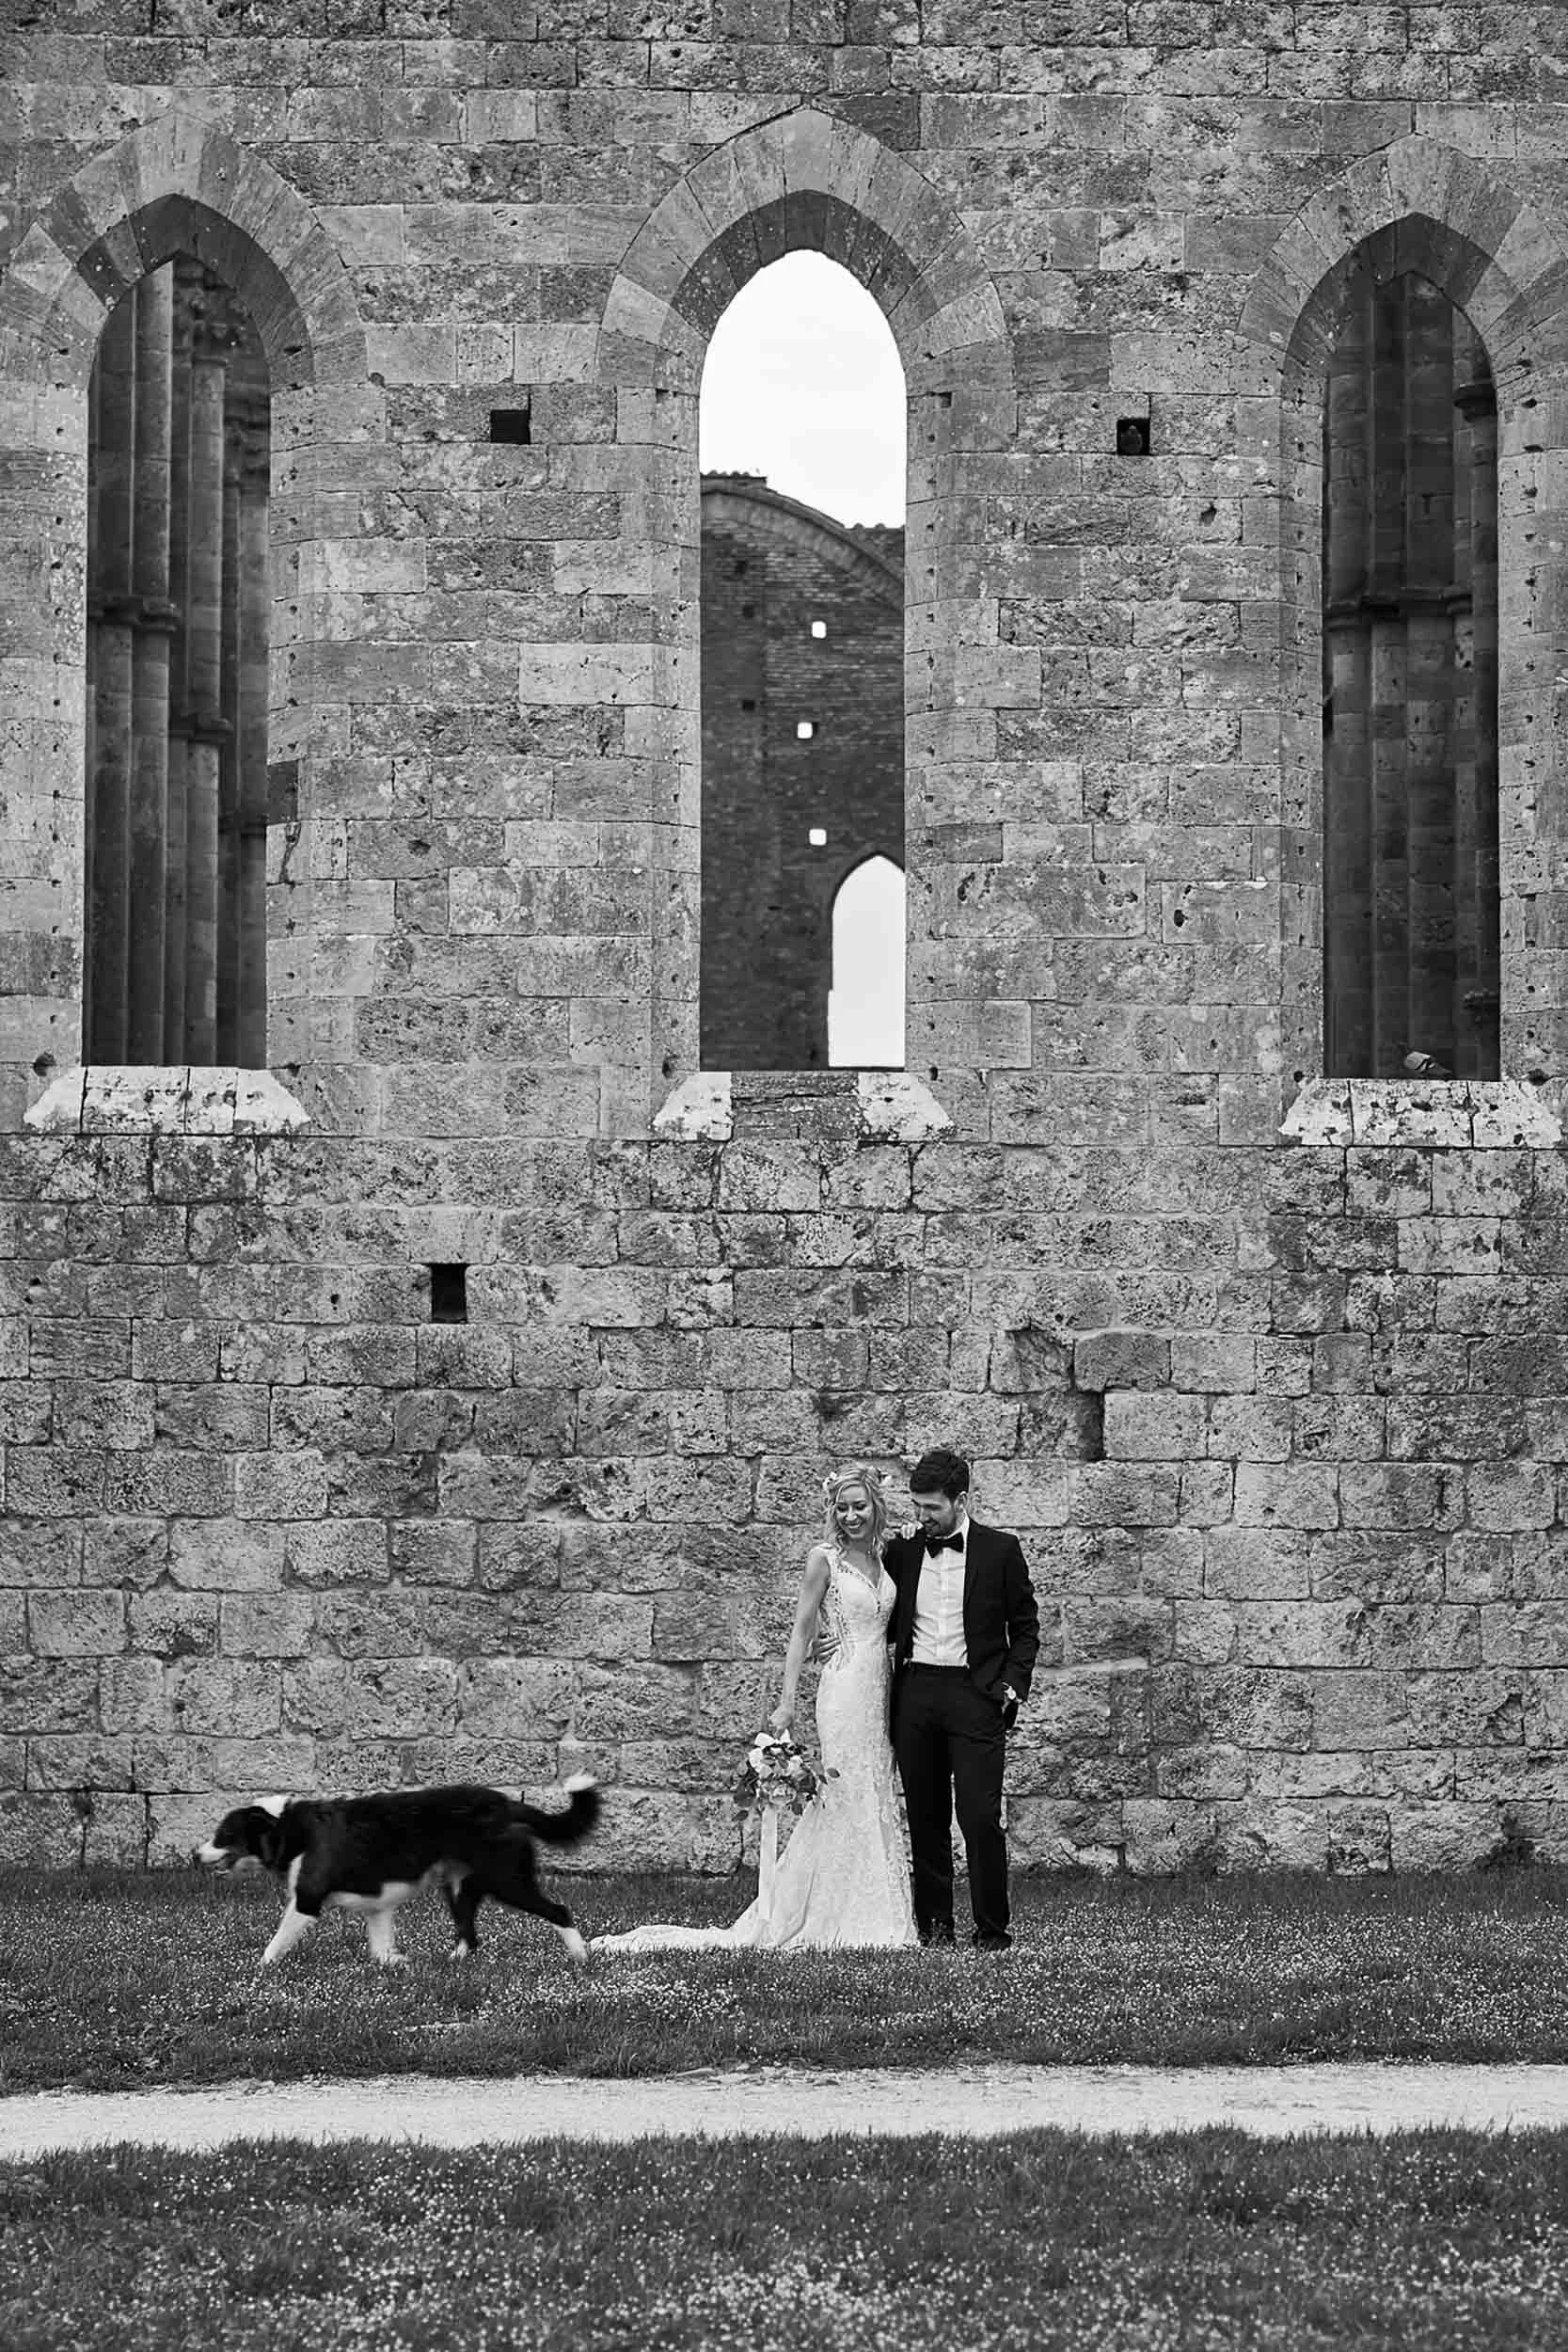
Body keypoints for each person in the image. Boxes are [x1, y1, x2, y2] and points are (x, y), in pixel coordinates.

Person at [593, 1464, 916, 1953]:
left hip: (881, 1690)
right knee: (843, 1791)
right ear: (833, 1512)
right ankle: (830, 1915)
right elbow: (801, 1631)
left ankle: (875, 1909)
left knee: (874, 1791)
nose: (851, 1515)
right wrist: (787, 1703)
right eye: (842, 1507)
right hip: (843, 1688)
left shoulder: (884, 1555)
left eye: (860, 1506)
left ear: (875, 1506)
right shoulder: (823, 1560)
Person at [881, 1447, 1039, 1950]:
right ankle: (935, 1929)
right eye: (917, 1507)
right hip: (917, 1694)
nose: (921, 1517)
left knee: (978, 1817)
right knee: (926, 1818)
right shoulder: (903, 1552)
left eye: (931, 1508)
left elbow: (1027, 1628)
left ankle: (992, 1931)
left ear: (961, 1500)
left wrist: (1011, 1687)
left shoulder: (1001, 1550)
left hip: (977, 1696)